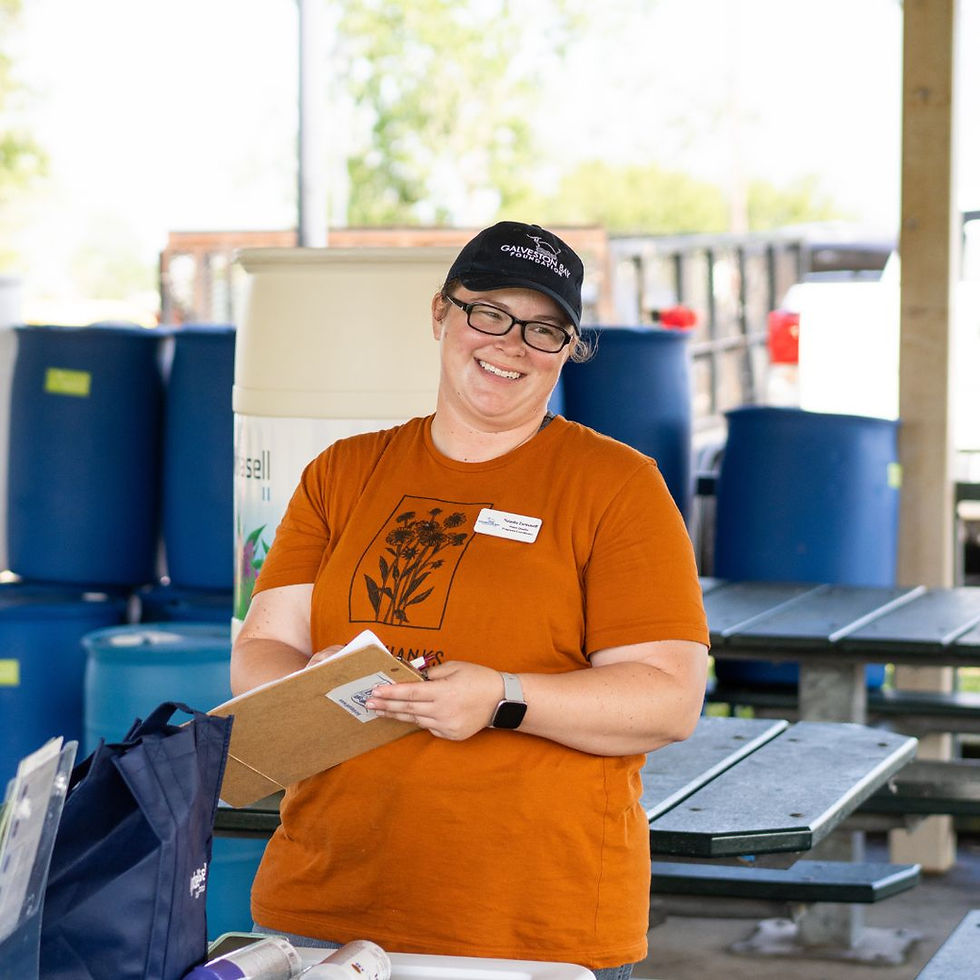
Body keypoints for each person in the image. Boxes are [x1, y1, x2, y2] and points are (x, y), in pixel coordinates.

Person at [230, 220, 710, 979]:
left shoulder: (618, 486)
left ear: (566, 351)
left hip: (530, 928)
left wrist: (503, 698)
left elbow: (668, 700)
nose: (511, 343)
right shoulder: (343, 473)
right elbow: (259, 652)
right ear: (441, 315)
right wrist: (310, 683)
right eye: (489, 313)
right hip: (321, 909)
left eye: (544, 330)